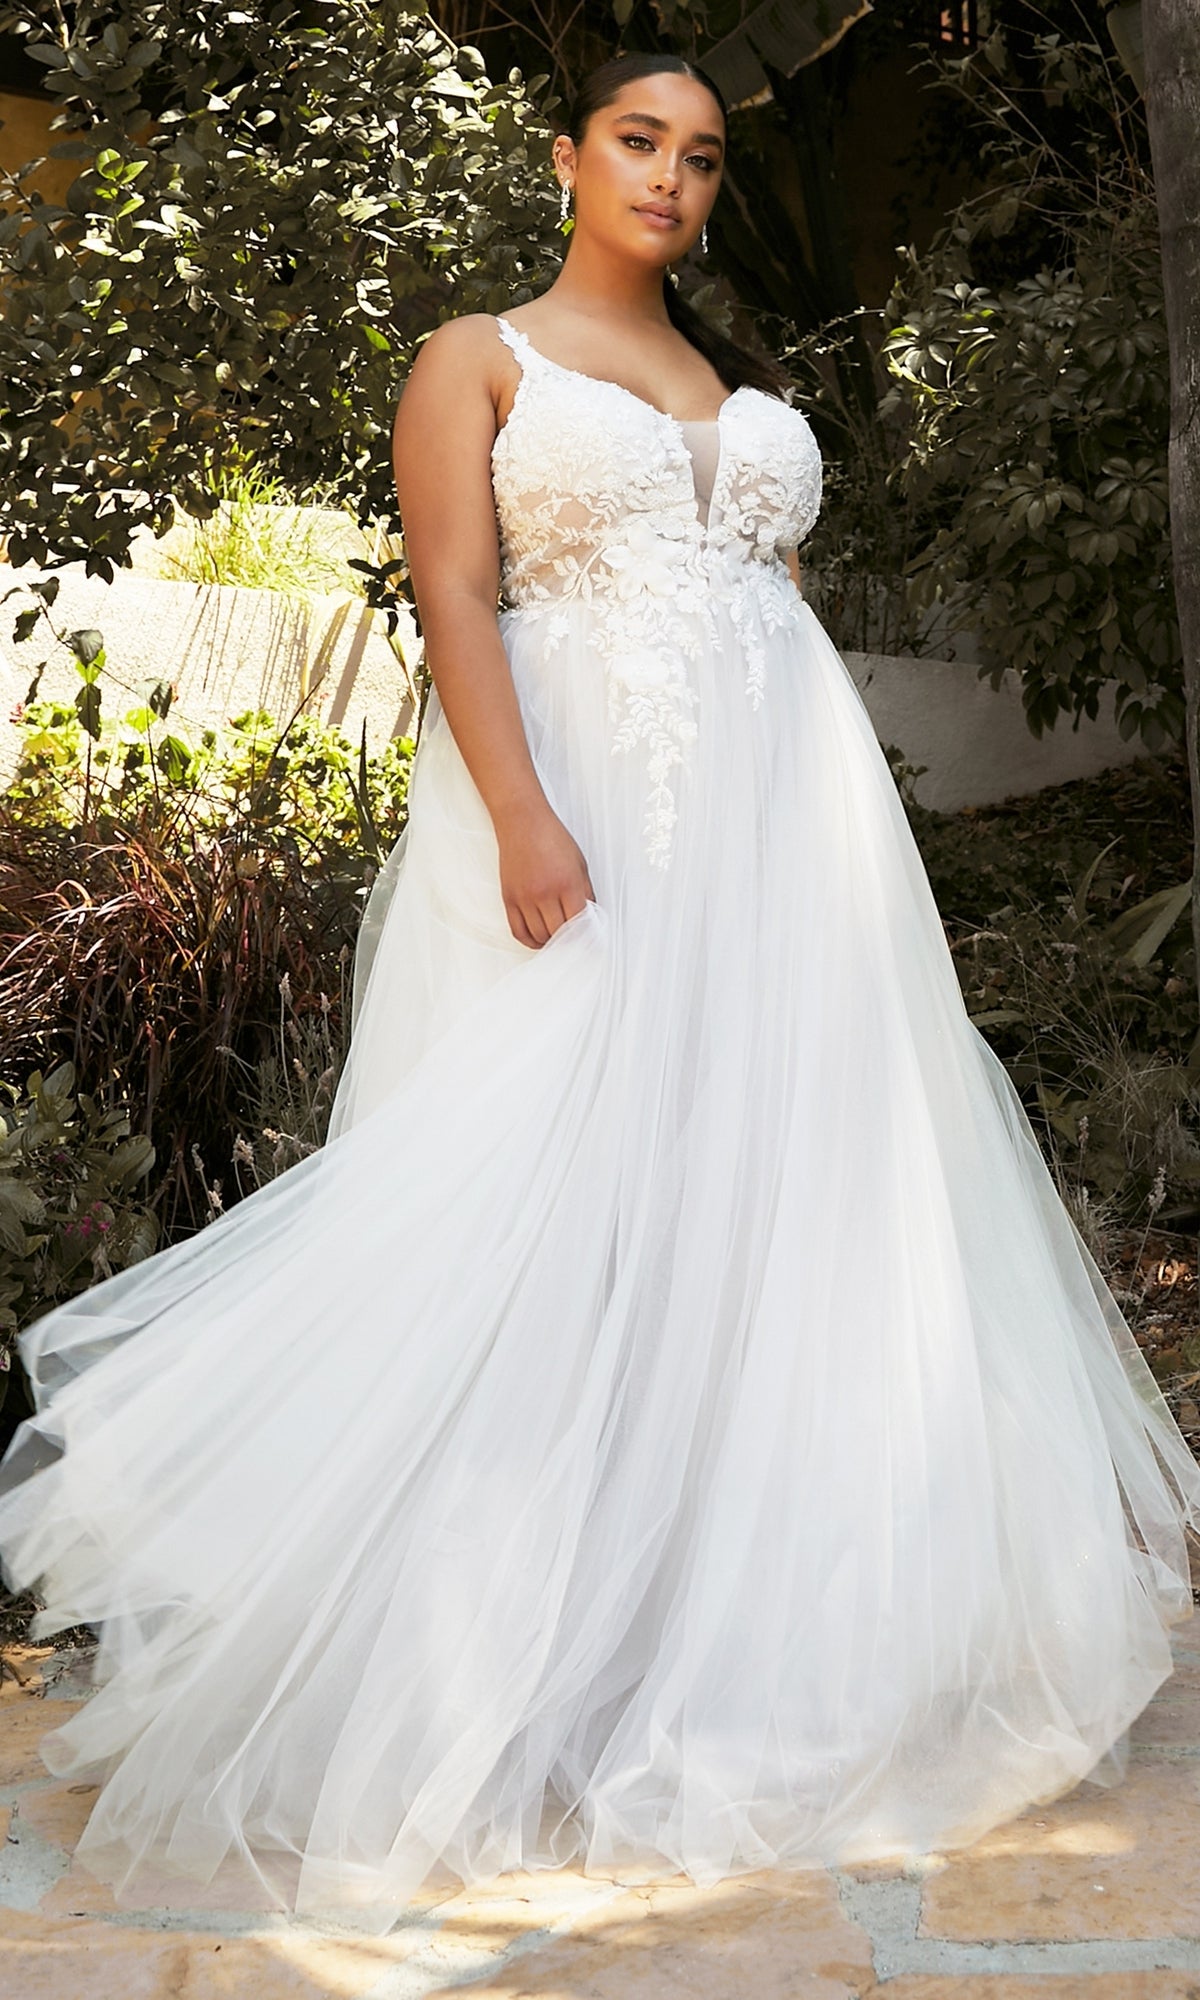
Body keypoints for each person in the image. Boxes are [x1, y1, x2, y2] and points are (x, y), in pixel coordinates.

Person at [0, 50, 1197, 1937]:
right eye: (640, 141)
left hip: (779, 866)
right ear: (567, 158)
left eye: (703, 156)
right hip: (580, 825)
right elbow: (462, 598)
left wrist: (813, 864)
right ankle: (508, 1668)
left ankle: (735, 1639)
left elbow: (766, 619)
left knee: (768, 1213)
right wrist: (527, 818)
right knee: (556, 1211)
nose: (673, 176)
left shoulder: (733, 389)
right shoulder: (481, 355)